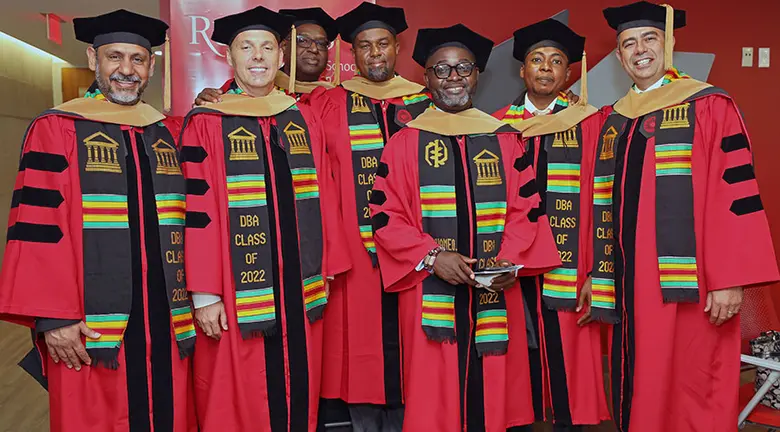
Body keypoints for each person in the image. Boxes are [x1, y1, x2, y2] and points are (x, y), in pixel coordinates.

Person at [0, 9, 195, 432]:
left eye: (137, 59)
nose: (126, 70)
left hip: (163, 312)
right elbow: (38, 228)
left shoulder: (165, 132)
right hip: (91, 321)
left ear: (151, 67)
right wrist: (54, 318)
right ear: (93, 59)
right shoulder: (57, 129)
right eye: (114, 57)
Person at [596, 2, 779, 431]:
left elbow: (735, 194)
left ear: (669, 44)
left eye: (649, 38)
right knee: (638, 378)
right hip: (629, 281)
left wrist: (730, 278)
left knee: (693, 385)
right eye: (629, 44)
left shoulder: (711, 106)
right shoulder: (614, 120)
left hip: (693, 286)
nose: (639, 50)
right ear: (620, 58)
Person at [369, 23, 562, 431]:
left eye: (463, 68)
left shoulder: (506, 139)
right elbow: (385, 216)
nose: (453, 78)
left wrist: (508, 261)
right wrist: (432, 256)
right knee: (433, 400)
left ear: (477, 75)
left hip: (494, 288)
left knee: (492, 396)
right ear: (427, 78)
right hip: (428, 291)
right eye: (442, 69)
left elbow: (526, 208)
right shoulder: (404, 143)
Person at [180, 6, 349, 432]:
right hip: (236, 291)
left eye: (268, 47)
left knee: (297, 387)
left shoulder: (301, 117)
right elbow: (195, 212)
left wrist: (324, 265)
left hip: (299, 282)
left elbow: (325, 195)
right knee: (240, 395)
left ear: (280, 57)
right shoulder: (206, 123)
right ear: (230, 58)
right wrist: (204, 294)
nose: (258, 57)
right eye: (247, 47)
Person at [307, 3, 432, 430]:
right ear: (351, 54)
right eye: (364, 46)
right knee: (361, 353)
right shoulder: (327, 105)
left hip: (418, 250)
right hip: (355, 254)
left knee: (416, 351)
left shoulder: (424, 103)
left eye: (382, 44)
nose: (374, 53)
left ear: (397, 47)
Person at [493, 18, 610, 431]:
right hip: (515, 260)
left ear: (568, 72)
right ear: (522, 70)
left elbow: (604, 199)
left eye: (556, 61)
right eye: (536, 60)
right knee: (513, 349)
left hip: (569, 260)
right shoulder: (497, 126)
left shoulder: (591, 123)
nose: (545, 68)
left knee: (568, 360)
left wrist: (600, 270)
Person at [195, 7, 338, 104]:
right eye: (302, 40)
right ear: (283, 49)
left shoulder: (337, 98)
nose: (314, 49)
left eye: (321, 43)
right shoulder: (251, 88)